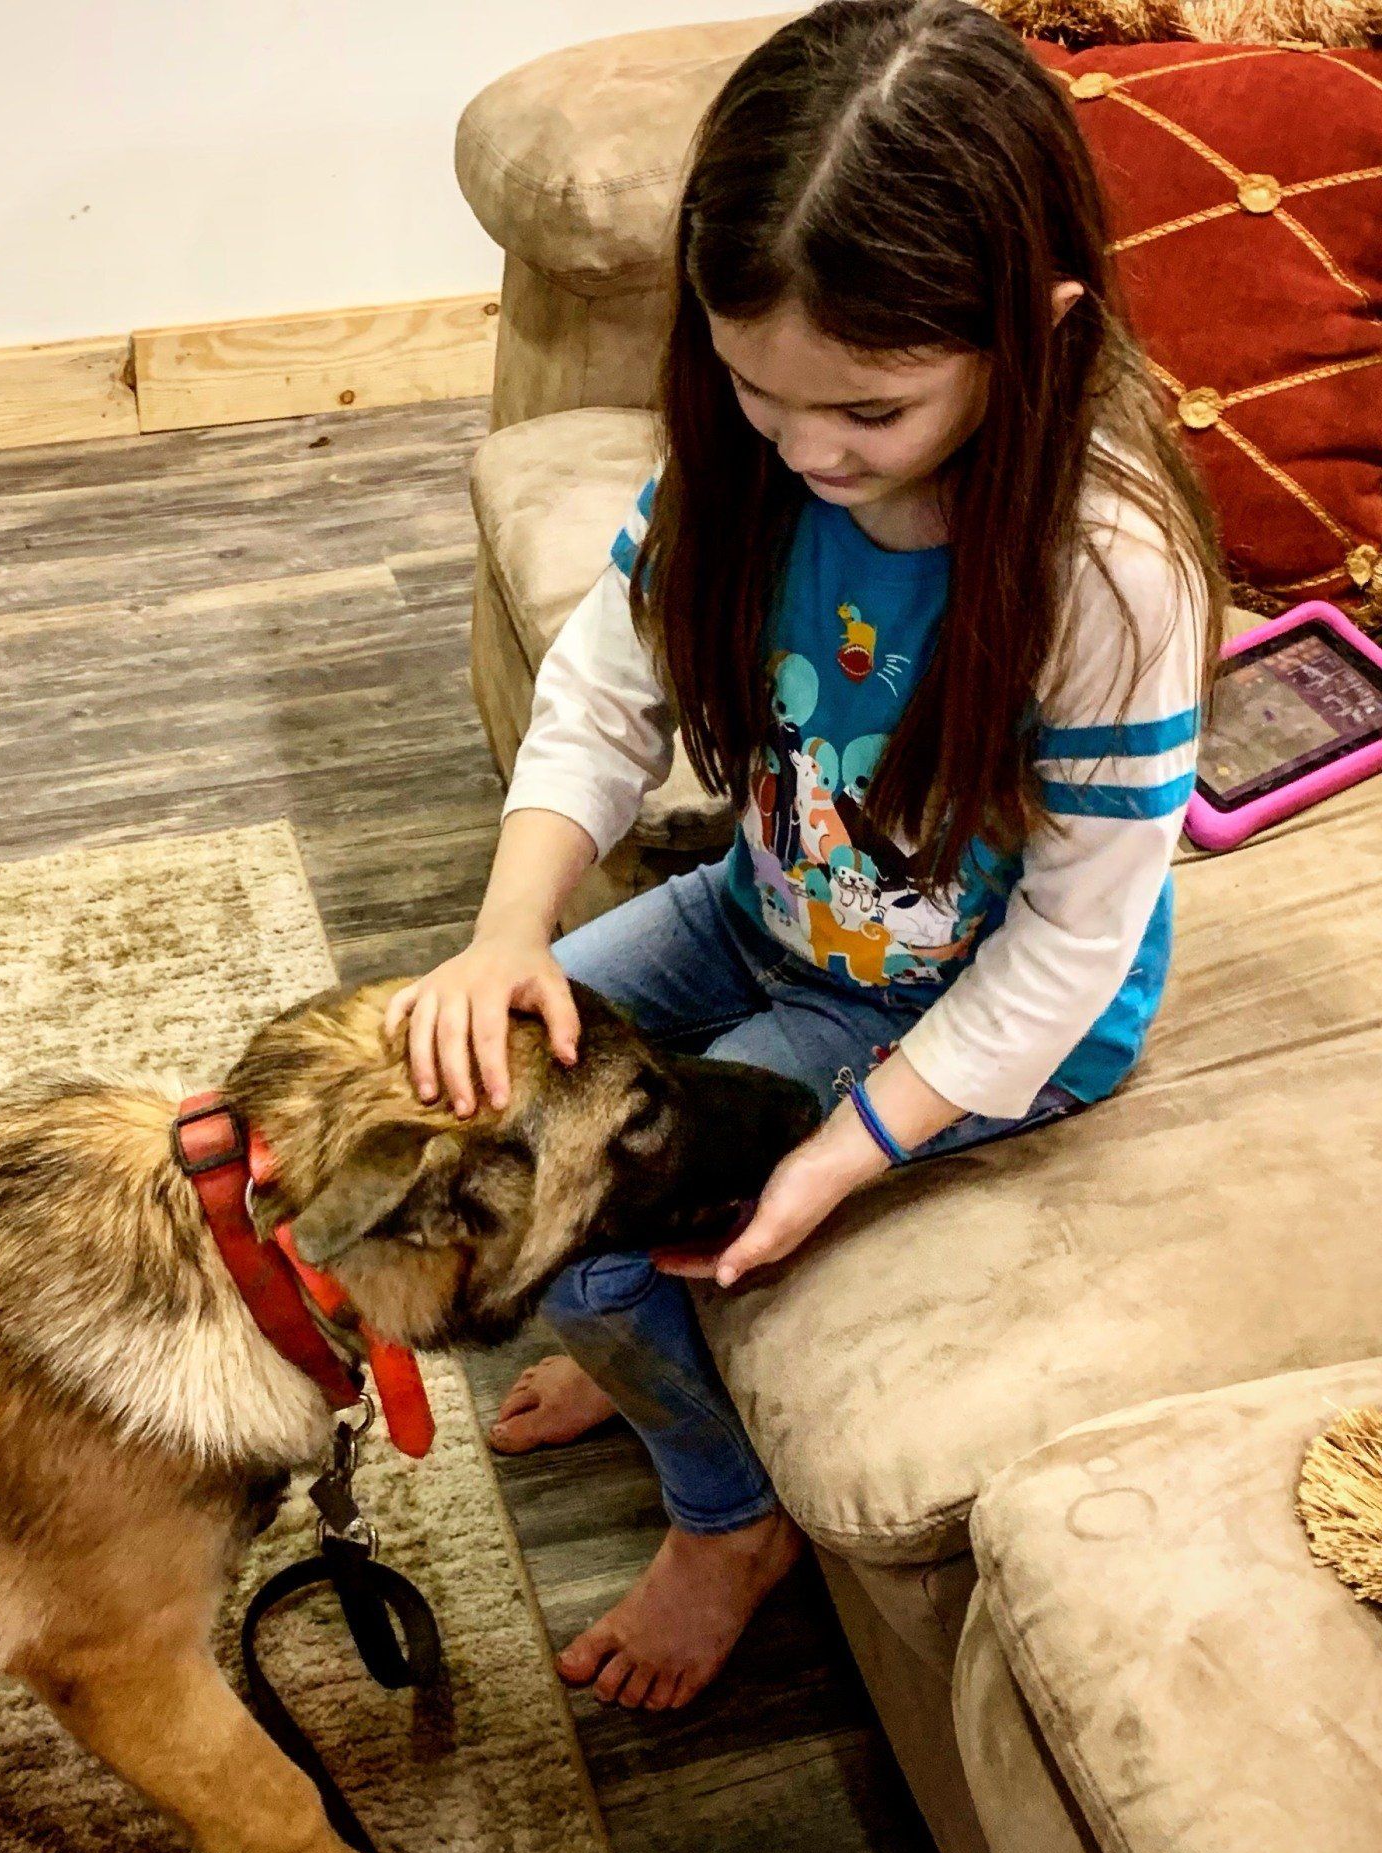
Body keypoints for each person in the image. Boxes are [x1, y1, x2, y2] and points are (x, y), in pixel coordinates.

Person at [385, 0, 1226, 1713]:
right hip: (761, 911)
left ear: (1037, 333)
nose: (806, 453)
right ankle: (642, 1367)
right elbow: (603, 697)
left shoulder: (1109, 570)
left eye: (869, 410)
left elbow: (1071, 947)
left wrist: (847, 1151)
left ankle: (727, 1521)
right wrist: (507, 931)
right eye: (755, 390)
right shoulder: (749, 465)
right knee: (473, 1103)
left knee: (579, 1234)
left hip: (957, 1019)